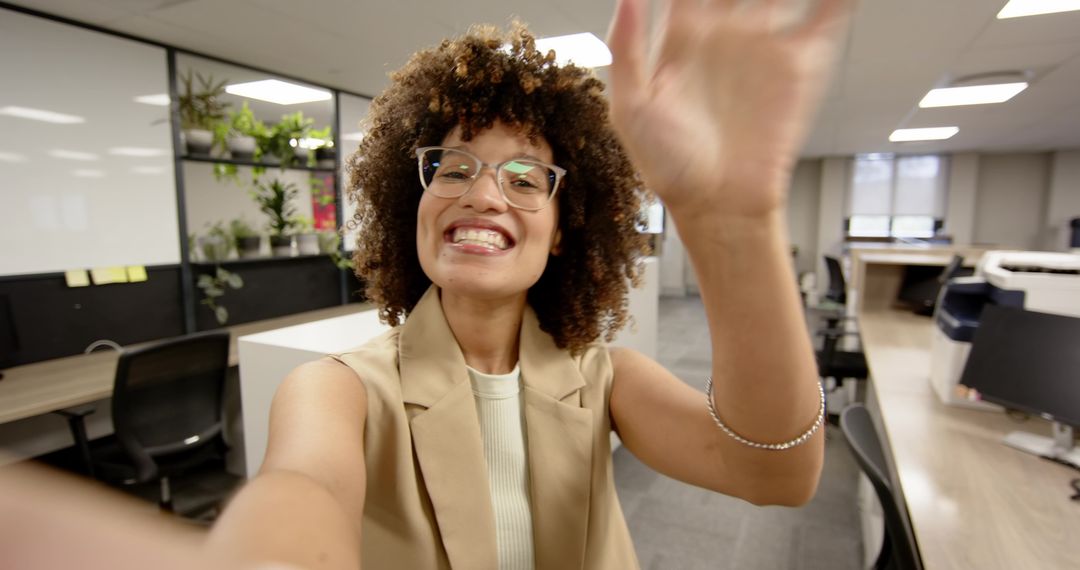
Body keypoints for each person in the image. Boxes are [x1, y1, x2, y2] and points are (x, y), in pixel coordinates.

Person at [0, 0, 854, 568]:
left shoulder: (606, 376)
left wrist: (732, 218)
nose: (484, 192)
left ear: (564, 232)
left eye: (526, 178)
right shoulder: (337, 393)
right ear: (414, 202)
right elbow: (302, 496)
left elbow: (775, 474)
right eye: (453, 167)